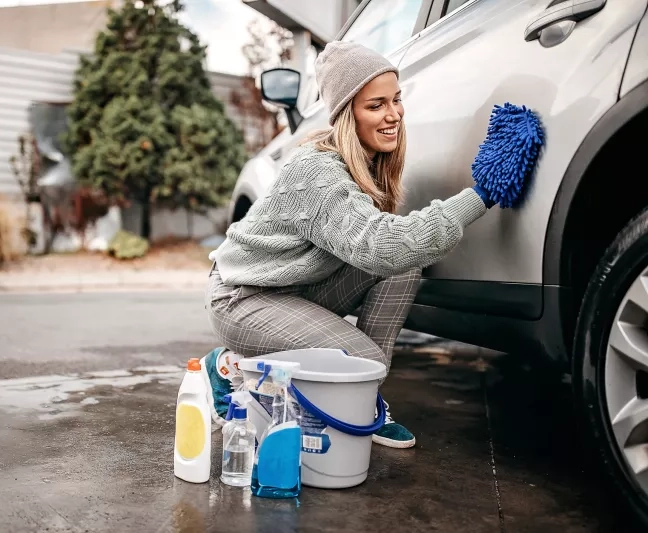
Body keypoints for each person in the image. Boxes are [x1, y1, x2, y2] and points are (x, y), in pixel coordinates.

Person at [200, 41, 499, 449]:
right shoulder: (317, 171)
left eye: (396, 100)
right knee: (366, 360)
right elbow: (383, 245)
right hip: (243, 299)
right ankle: (227, 366)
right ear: (346, 114)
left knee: (404, 265)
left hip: (295, 290)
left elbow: (391, 254)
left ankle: (364, 395)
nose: (393, 114)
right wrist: (480, 195)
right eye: (376, 106)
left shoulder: (369, 162)